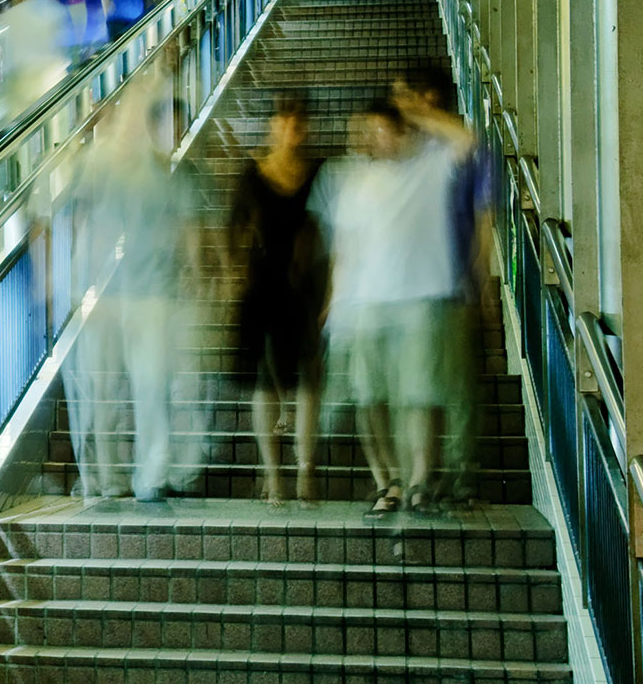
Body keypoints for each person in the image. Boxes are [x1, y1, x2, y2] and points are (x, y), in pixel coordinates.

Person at [312, 98, 468, 517]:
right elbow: (345, 248)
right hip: (364, 304)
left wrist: (416, 111)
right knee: (369, 398)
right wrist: (333, 301)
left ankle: (419, 482)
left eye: (383, 130)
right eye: (370, 131)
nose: (374, 139)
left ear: (403, 132)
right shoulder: (355, 181)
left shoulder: (431, 166)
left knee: (419, 396)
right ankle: (388, 482)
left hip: (421, 299)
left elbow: (468, 141)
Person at [75, 87, 208, 501]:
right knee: (107, 391)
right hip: (115, 296)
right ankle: (108, 476)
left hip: (155, 296)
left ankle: (150, 474)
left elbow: (189, 229)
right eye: (170, 125)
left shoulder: (182, 174)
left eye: (181, 125)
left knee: (151, 385)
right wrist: (92, 290)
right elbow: (94, 226)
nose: (178, 133)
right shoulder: (123, 169)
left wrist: (197, 272)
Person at [392, 63, 491, 506]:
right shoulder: (409, 153)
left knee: (458, 392)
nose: (419, 107)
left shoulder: (458, 149)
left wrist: (482, 280)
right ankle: (424, 475)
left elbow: (483, 215)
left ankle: (462, 477)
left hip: (455, 286)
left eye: (428, 98)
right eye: (416, 98)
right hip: (412, 288)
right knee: (419, 389)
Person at [228, 93, 327, 506]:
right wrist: (233, 277)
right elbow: (233, 229)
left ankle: (305, 471)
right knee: (264, 385)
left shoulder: (319, 171)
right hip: (263, 286)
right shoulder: (252, 175)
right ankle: (273, 474)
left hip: (306, 286)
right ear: (272, 126)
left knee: (309, 381)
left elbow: (330, 231)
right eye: (284, 121)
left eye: (298, 121)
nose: (292, 128)